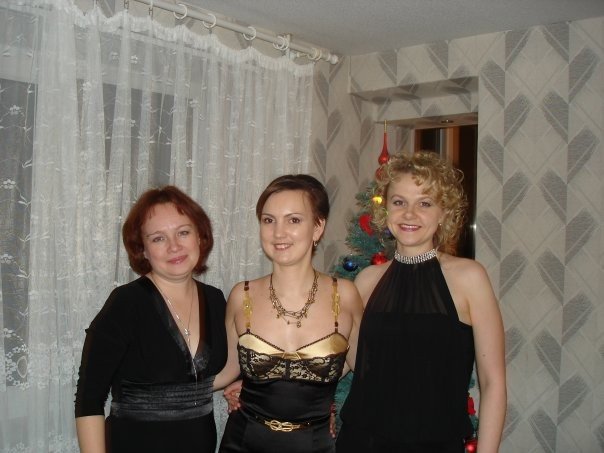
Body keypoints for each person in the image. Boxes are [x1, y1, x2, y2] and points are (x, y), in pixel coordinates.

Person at [336, 151, 506, 453]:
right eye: (399, 202)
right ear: (386, 209)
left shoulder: (470, 278)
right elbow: (349, 363)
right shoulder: (366, 280)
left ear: (444, 212)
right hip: (361, 442)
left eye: (425, 203)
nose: (409, 214)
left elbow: (492, 382)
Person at [214, 174, 363, 453]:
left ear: (318, 227)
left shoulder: (344, 295)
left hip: (314, 445)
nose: (278, 233)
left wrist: (322, 398)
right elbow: (225, 371)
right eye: (269, 220)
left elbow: (364, 370)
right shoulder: (241, 295)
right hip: (243, 442)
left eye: (293, 220)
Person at [75, 186, 227, 453]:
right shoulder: (125, 303)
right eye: (158, 238)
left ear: (200, 237)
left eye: (183, 232)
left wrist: (241, 384)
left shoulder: (215, 299)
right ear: (142, 250)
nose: (174, 246)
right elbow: (90, 399)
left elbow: (201, 378)